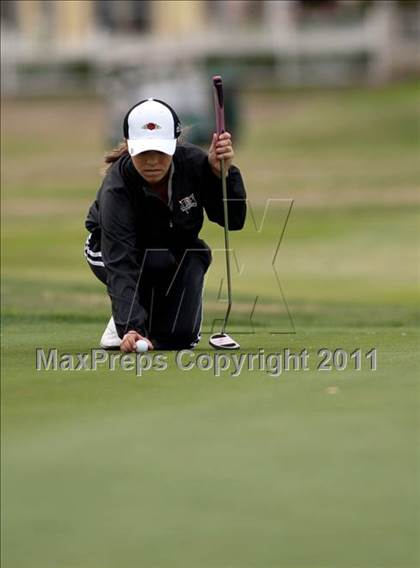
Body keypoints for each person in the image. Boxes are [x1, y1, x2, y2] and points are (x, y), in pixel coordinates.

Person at [84, 98, 246, 352]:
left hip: (170, 249)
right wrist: (131, 326)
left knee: (179, 338)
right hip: (108, 251)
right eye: (144, 152)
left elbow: (233, 220)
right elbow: (121, 261)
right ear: (129, 146)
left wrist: (221, 175)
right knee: (154, 261)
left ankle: (147, 326)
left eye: (160, 151)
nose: (152, 161)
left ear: (173, 146)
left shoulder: (194, 163)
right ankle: (125, 322)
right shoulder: (116, 189)